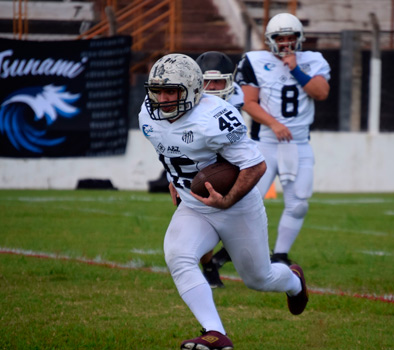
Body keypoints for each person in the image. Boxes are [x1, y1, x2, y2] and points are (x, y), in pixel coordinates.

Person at [138, 53, 308, 350]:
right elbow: (170, 153)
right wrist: (174, 183)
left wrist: (227, 199)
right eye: (158, 90)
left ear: (192, 89)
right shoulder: (147, 115)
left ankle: (294, 281)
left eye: (171, 91)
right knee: (178, 256)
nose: (163, 99)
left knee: (259, 278)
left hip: (237, 206)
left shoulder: (215, 117)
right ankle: (215, 334)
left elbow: (256, 166)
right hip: (195, 204)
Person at [235, 13, 331, 266]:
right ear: (270, 39)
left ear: (299, 38)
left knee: (298, 204)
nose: (286, 42)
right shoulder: (255, 61)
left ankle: (279, 255)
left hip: (298, 144)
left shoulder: (313, 61)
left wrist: (295, 68)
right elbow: (247, 101)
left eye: (291, 37)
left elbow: (321, 93)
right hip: (264, 143)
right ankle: (235, 253)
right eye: (280, 37)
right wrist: (274, 124)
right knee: (248, 203)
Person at [195, 51, 242, 289]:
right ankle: (209, 265)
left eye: (218, 81)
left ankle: (228, 252)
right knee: (203, 223)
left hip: (231, 162)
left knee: (242, 226)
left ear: (229, 81)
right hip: (199, 166)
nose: (211, 87)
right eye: (205, 82)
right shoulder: (188, 101)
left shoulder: (238, 97)